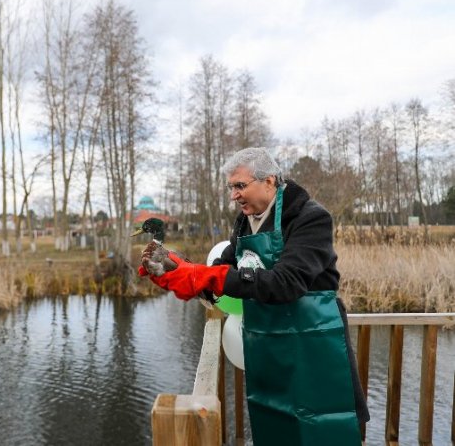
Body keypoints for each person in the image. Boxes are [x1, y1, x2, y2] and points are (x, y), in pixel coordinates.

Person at [139, 147, 369, 446]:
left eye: (240, 186)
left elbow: (287, 283)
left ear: (269, 181)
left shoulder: (311, 218)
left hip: (314, 346)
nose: (234, 195)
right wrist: (174, 269)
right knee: (276, 426)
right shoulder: (244, 222)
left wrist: (212, 276)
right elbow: (221, 273)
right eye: (231, 188)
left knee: (326, 429)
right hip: (270, 345)